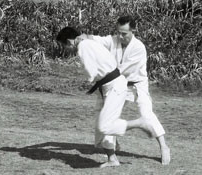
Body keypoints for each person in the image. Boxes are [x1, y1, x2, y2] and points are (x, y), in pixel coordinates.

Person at [56, 27, 158, 168]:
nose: (65, 49)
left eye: (64, 46)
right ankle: (112, 158)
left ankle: (139, 123)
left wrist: (84, 79)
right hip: (107, 87)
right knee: (100, 128)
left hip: (114, 86)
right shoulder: (88, 43)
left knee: (105, 126)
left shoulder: (83, 46)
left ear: (69, 41)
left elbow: (90, 73)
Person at [79, 15, 171, 165]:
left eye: (124, 33)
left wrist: (101, 75)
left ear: (133, 30)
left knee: (146, 113)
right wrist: (83, 37)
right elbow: (98, 40)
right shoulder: (113, 40)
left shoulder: (139, 47)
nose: (120, 36)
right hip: (117, 84)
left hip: (137, 84)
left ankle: (163, 146)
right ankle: (112, 152)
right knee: (107, 115)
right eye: (118, 32)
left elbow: (119, 70)